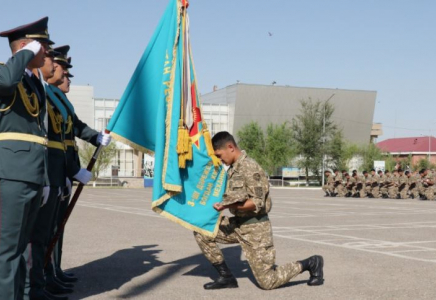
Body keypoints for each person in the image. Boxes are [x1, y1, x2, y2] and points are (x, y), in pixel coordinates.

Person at [194, 132, 324, 290]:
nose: (219, 159)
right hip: (238, 225)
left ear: (230, 147)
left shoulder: (250, 167)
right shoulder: (232, 169)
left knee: (268, 282)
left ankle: (311, 263)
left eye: (220, 155)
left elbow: (256, 203)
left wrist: (227, 206)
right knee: (202, 231)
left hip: (256, 229)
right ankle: (226, 277)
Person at [0, 17, 53, 300]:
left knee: (21, 251)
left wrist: (44, 179)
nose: (45, 53)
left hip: (32, 174)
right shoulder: (5, 73)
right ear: (24, 47)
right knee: (6, 252)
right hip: (10, 174)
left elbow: (40, 137)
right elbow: (7, 81)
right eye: (40, 46)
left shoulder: (33, 84)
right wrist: (24, 53)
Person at [49, 47, 111, 283]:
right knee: (48, 230)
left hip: (64, 171)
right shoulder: (46, 94)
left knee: (58, 227)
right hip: (57, 171)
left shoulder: (62, 100)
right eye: (64, 72)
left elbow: (76, 127)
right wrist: (71, 171)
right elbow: (55, 142)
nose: (67, 78)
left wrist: (96, 137)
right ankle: (46, 274)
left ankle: (54, 271)